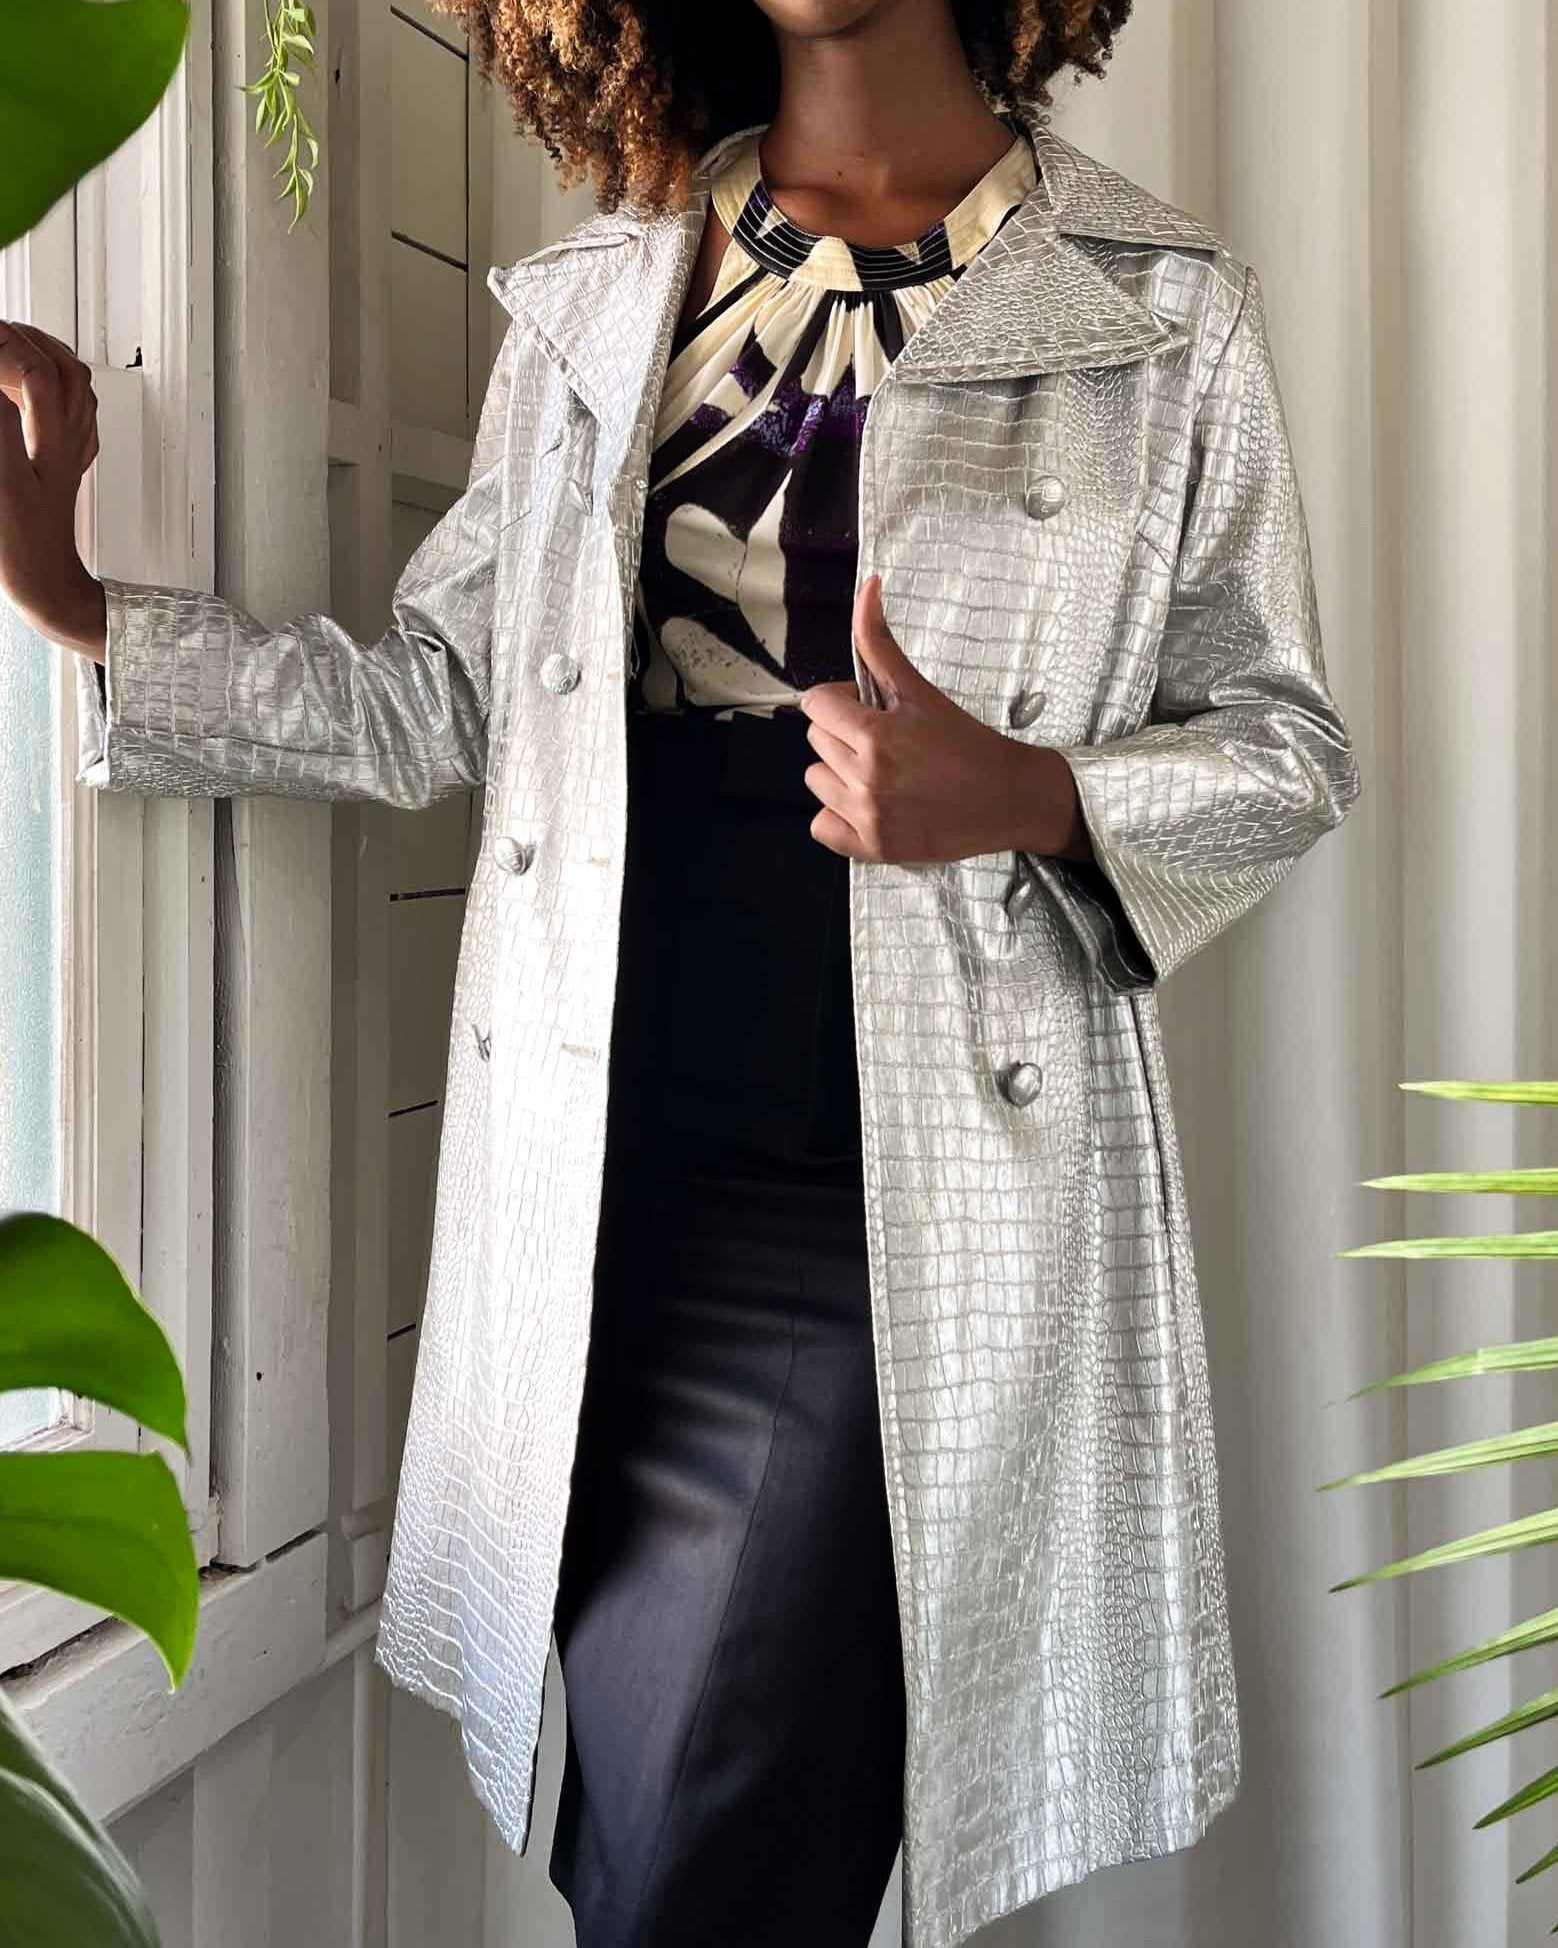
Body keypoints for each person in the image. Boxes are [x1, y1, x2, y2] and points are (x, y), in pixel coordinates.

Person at [0, 2, 1363, 1943]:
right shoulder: (603, 293)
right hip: (593, 1167)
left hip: (884, 1187)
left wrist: (1029, 792)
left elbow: (1284, 748)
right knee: (641, 1816)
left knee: (711, 1832)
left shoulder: (1153, 302)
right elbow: (439, 701)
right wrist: (79, 606)